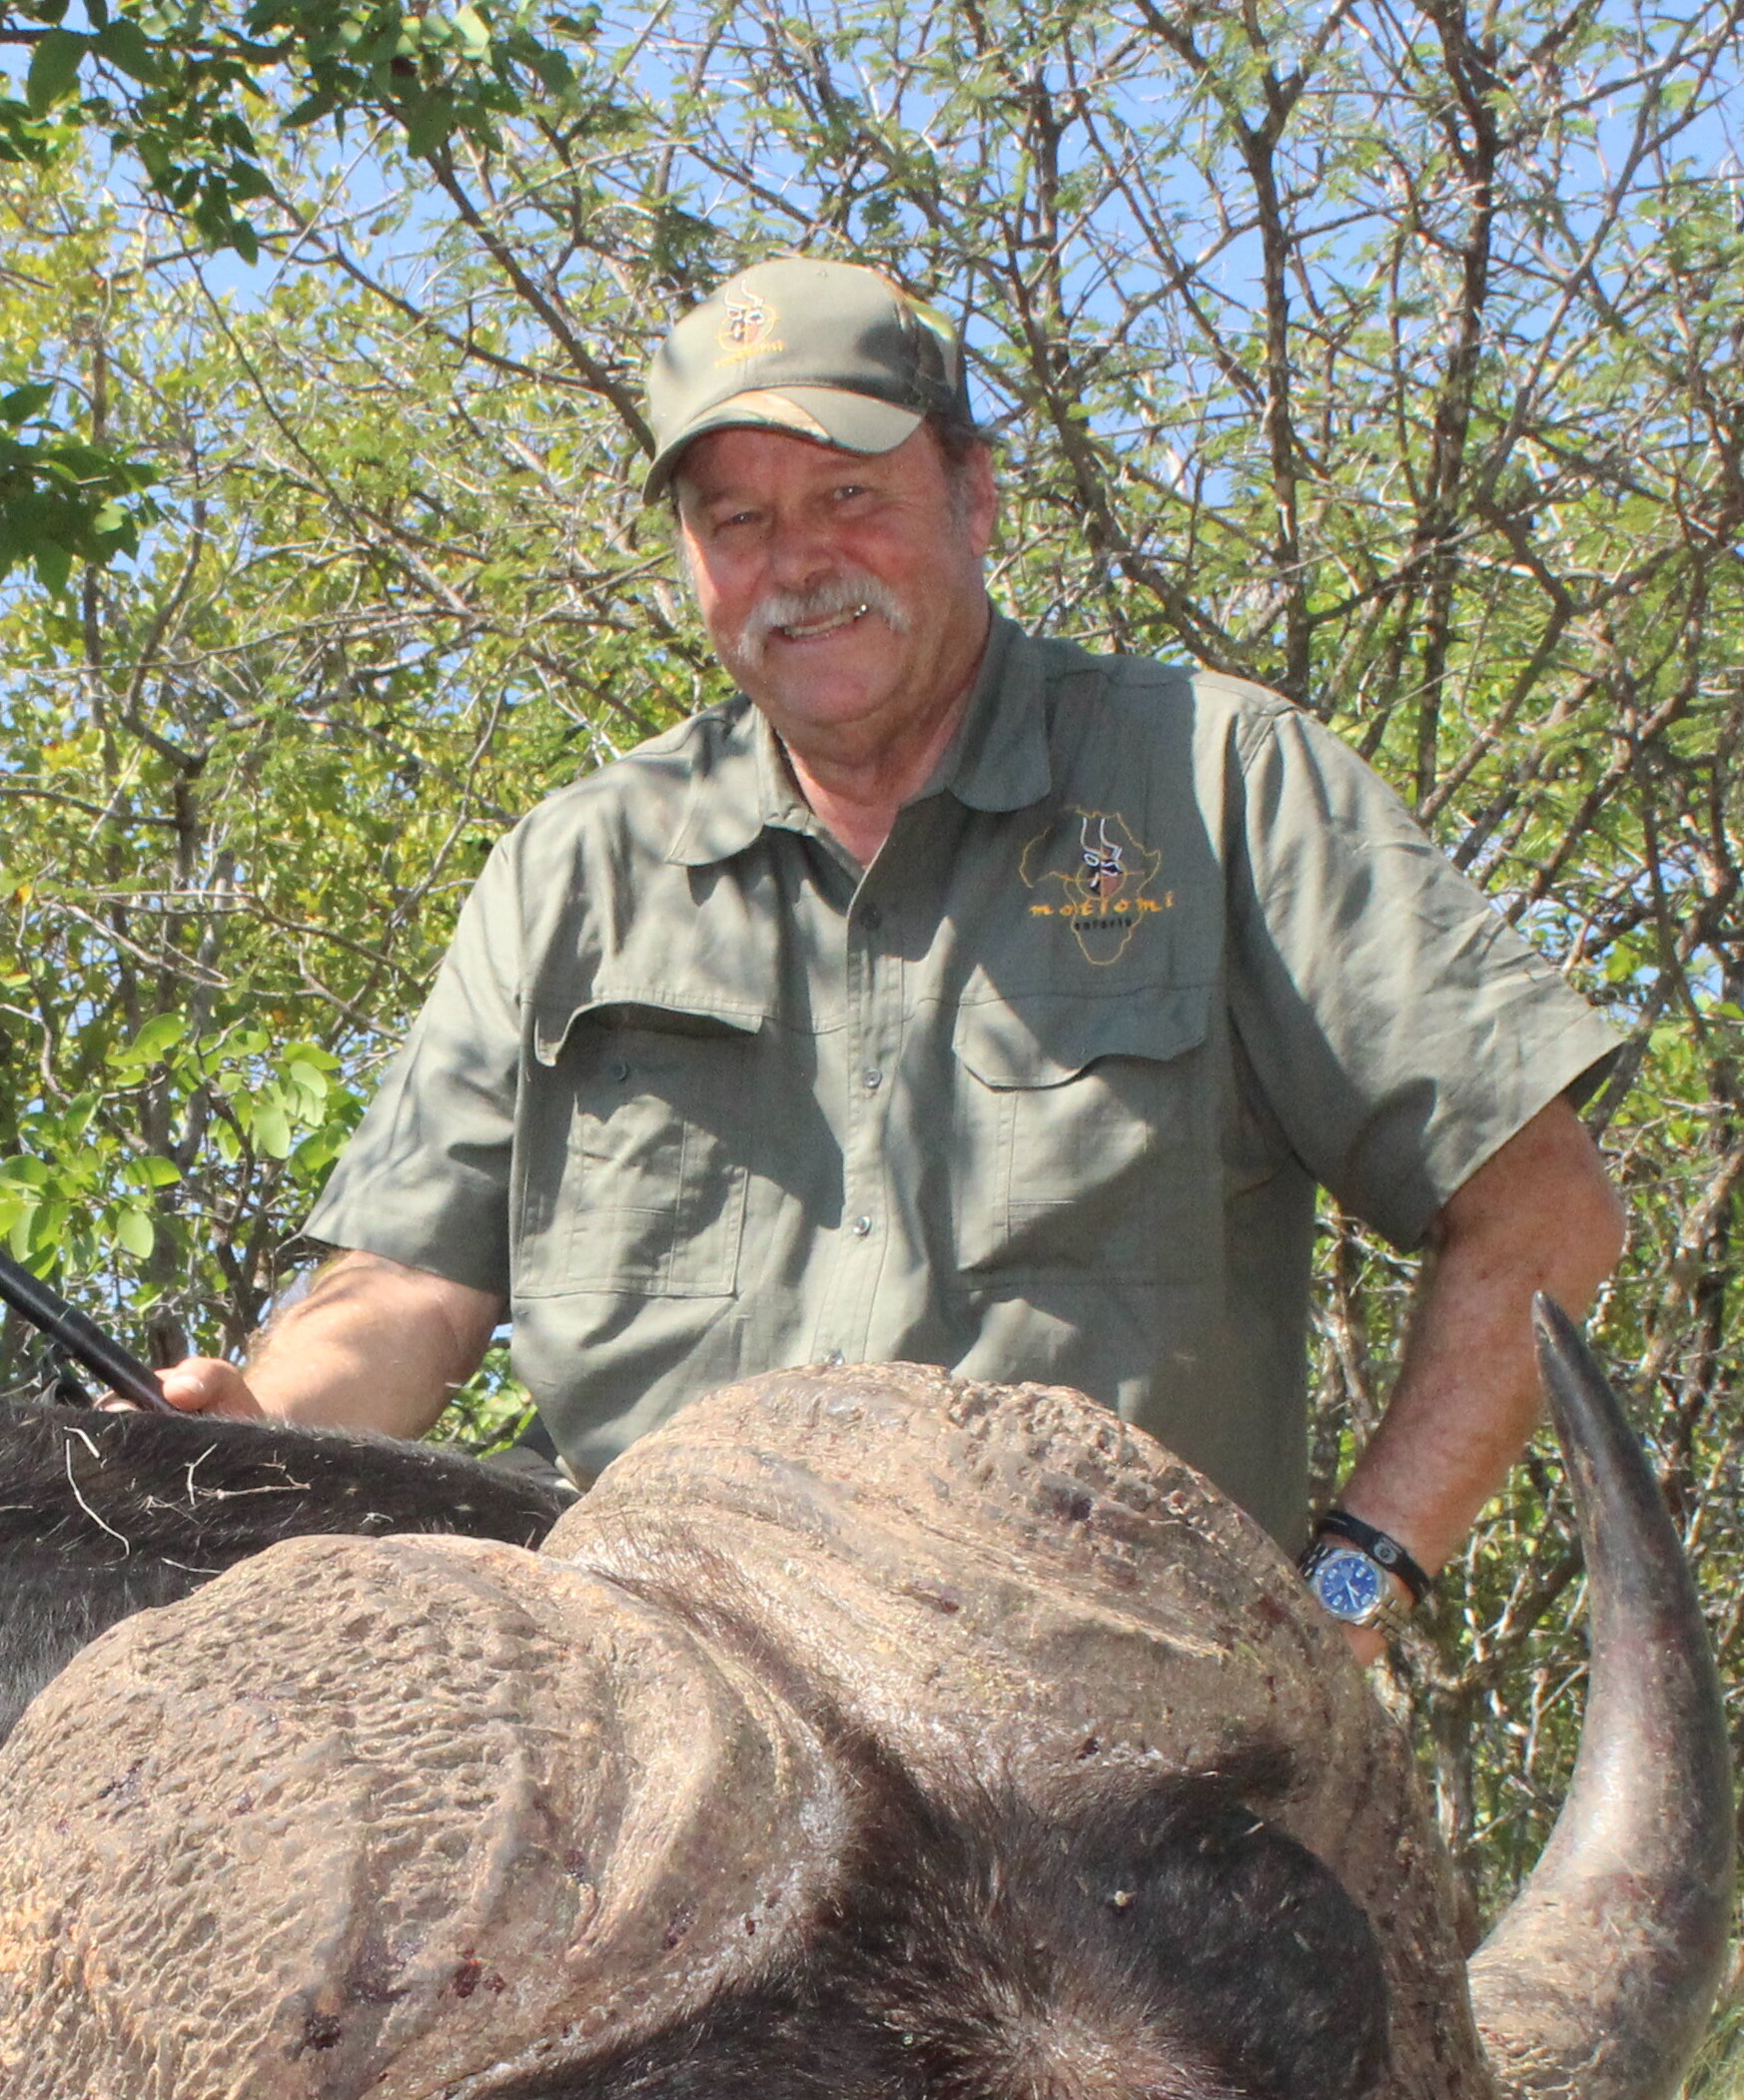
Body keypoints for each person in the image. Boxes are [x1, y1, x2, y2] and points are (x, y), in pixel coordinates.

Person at [156, 259, 1636, 1652]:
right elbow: (411, 1289)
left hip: (1098, 1733)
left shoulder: (1223, 783)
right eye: (737, 523)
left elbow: (1542, 1216)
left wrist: (1340, 1595)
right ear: (691, 560)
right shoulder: (577, 868)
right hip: (641, 1730)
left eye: (850, 495)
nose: (799, 563)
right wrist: (257, 1419)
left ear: (976, 494)